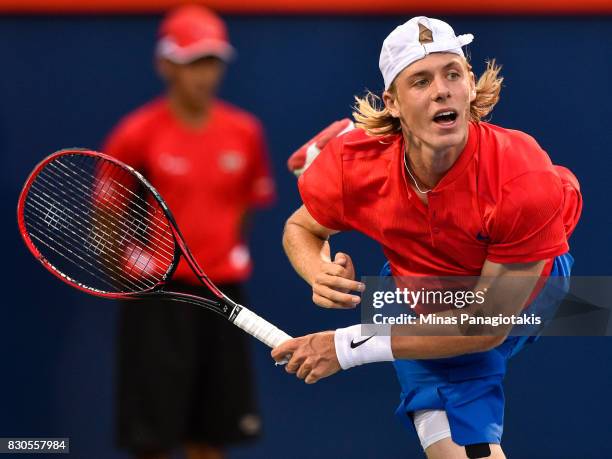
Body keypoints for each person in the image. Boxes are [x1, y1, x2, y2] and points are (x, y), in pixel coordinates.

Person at [272, 16, 582, 459]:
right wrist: (317, 270)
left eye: (453, 74)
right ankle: (333, 155)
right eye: (420, 81)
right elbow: (301, 228)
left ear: (471, 85)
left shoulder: (522, 178)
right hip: (421, 287)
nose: (442, 90)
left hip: (523, 287)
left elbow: (483, 328)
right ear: (393, 102)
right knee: (450, 449)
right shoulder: (356, 167)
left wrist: (347, 345)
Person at [103, 5, 276, 459]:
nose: (205, 75)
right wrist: (135, 278)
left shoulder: (244, 132)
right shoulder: (135, 134)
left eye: (212, 62)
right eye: (193, 62)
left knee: (212, 436)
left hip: (223, 298)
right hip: (158, 302)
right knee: (153, 439)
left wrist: (215, 256)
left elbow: (243, 210)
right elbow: (107, 213)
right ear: (166, 65)